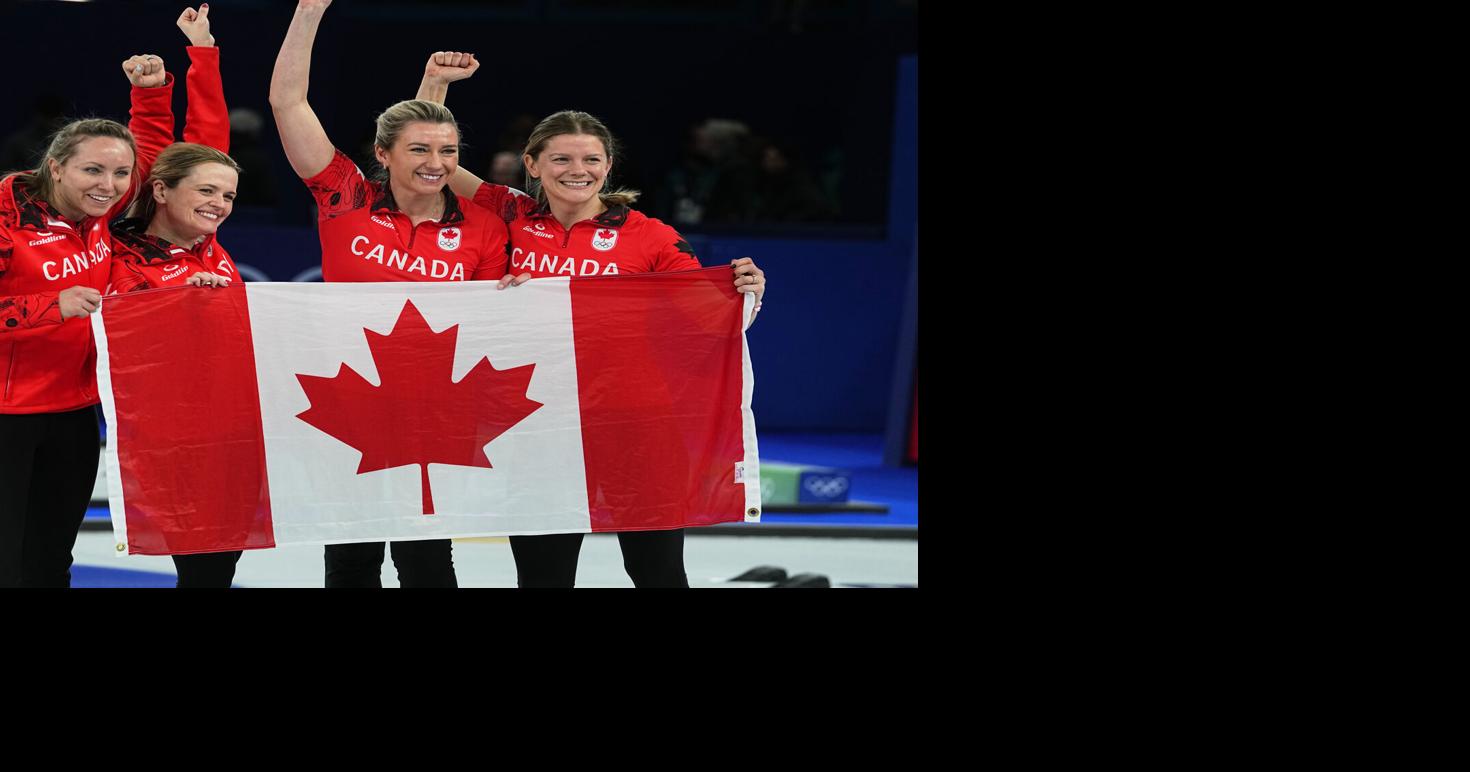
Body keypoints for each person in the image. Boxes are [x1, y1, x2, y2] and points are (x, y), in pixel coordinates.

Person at [418, 52, 766, 588]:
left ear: (608, 166)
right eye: (560, 159)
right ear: (532, 164)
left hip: (635, 424)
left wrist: (746, 294)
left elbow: (705, 317)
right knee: (543, 577)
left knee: (656, 573)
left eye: (591, 160)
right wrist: (434, 83)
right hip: (539, 423)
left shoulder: (650, 236)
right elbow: (429, 163)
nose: (577, 171)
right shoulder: (509, 216)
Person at [269, 0, 510, 588]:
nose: (436, 163)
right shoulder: (346, 199)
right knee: (351, 562)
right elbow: (288, 103)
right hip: (349, 399)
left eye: (448, 151)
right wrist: (308, 10)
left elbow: (491, 324)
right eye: (419, 150)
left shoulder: (482, 227)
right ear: (383, 154)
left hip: (432, 411)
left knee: (427, 562)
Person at [0, 52, 175, 587]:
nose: (110, 185)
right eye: (93, 170)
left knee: (52, 559)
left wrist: (150, 94)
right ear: (56, 167)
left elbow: (151, 155)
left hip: (75, 412)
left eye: (120, 173)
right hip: (7, 415)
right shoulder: (8, 217)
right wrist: (49, 305)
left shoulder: (98, 211)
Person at [106, 5, 247, 588]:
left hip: (228, 429)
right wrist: (150, 98)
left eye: (229, 196)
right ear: (161, 192)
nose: (219, 204)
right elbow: (122, 330)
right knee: (202, 567)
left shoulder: (208, 245)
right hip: (167, 436)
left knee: (218, 568)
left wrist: (203, 51)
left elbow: (207, 148)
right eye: (208, 193)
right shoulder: (118, 250)